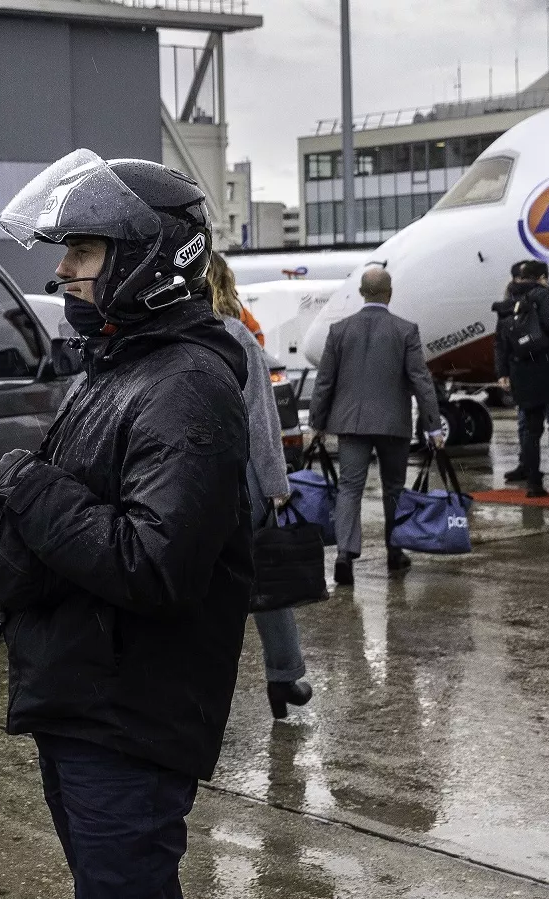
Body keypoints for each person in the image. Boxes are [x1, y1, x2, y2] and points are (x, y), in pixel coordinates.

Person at [0, 150, 252, 899]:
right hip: (84, 698)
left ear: (147, 255)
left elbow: (154, 564)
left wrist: (26, 487)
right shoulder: (121, 365)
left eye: (83, 249)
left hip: (127, 715)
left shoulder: (186, 383)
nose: (64, 270)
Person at [206, 252, 314, 720]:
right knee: (265, 579)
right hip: (237, 480)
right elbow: (260, 418)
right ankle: (284, 677)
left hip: (179, 480)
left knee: (200, 589)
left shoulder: (161, 335)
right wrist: (275, 482)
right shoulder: (235, 335)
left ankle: (203, 691)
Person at [309, 267, 443, 586]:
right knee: (393, 488)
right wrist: (434, 426)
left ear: (360, 292)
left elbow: (324, 381)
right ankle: (394, 552)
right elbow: (421, 381)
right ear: (390, 292)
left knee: (350, 488)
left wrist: (316, 423)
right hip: (393, 423)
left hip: (350, 423)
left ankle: (344, 554)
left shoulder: (339, 330)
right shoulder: (405, 330)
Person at [494, 260, 549, 496]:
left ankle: (533, 479)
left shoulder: (508, 304)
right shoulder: (547, 297)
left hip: (523, 372)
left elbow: (501, 341)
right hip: (548, 370)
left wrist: (503, 371)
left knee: (530, 427)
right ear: (542, 278)